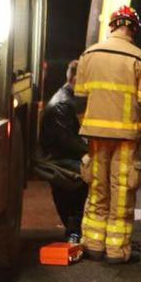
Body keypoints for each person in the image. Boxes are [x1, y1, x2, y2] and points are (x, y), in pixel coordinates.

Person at [72, 5, 141, 264]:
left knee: (97, 188)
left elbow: (79, 99)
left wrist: (85, 125)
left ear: (112, 26)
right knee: (121, 192)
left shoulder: (89, 54)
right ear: (133, 29)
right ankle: (117, 251)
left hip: (95, 136)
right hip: (126, 137)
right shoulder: (137, 58)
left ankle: (94, 245)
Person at [38, 59, 90, 242]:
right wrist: (88, 153)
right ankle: (74, 231)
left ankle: (76, 230)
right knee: (87, 180)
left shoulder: (66, 99)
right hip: (59, 159)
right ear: (76, 79)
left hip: (62, 155)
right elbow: (67, 139)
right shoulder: (63, 104)